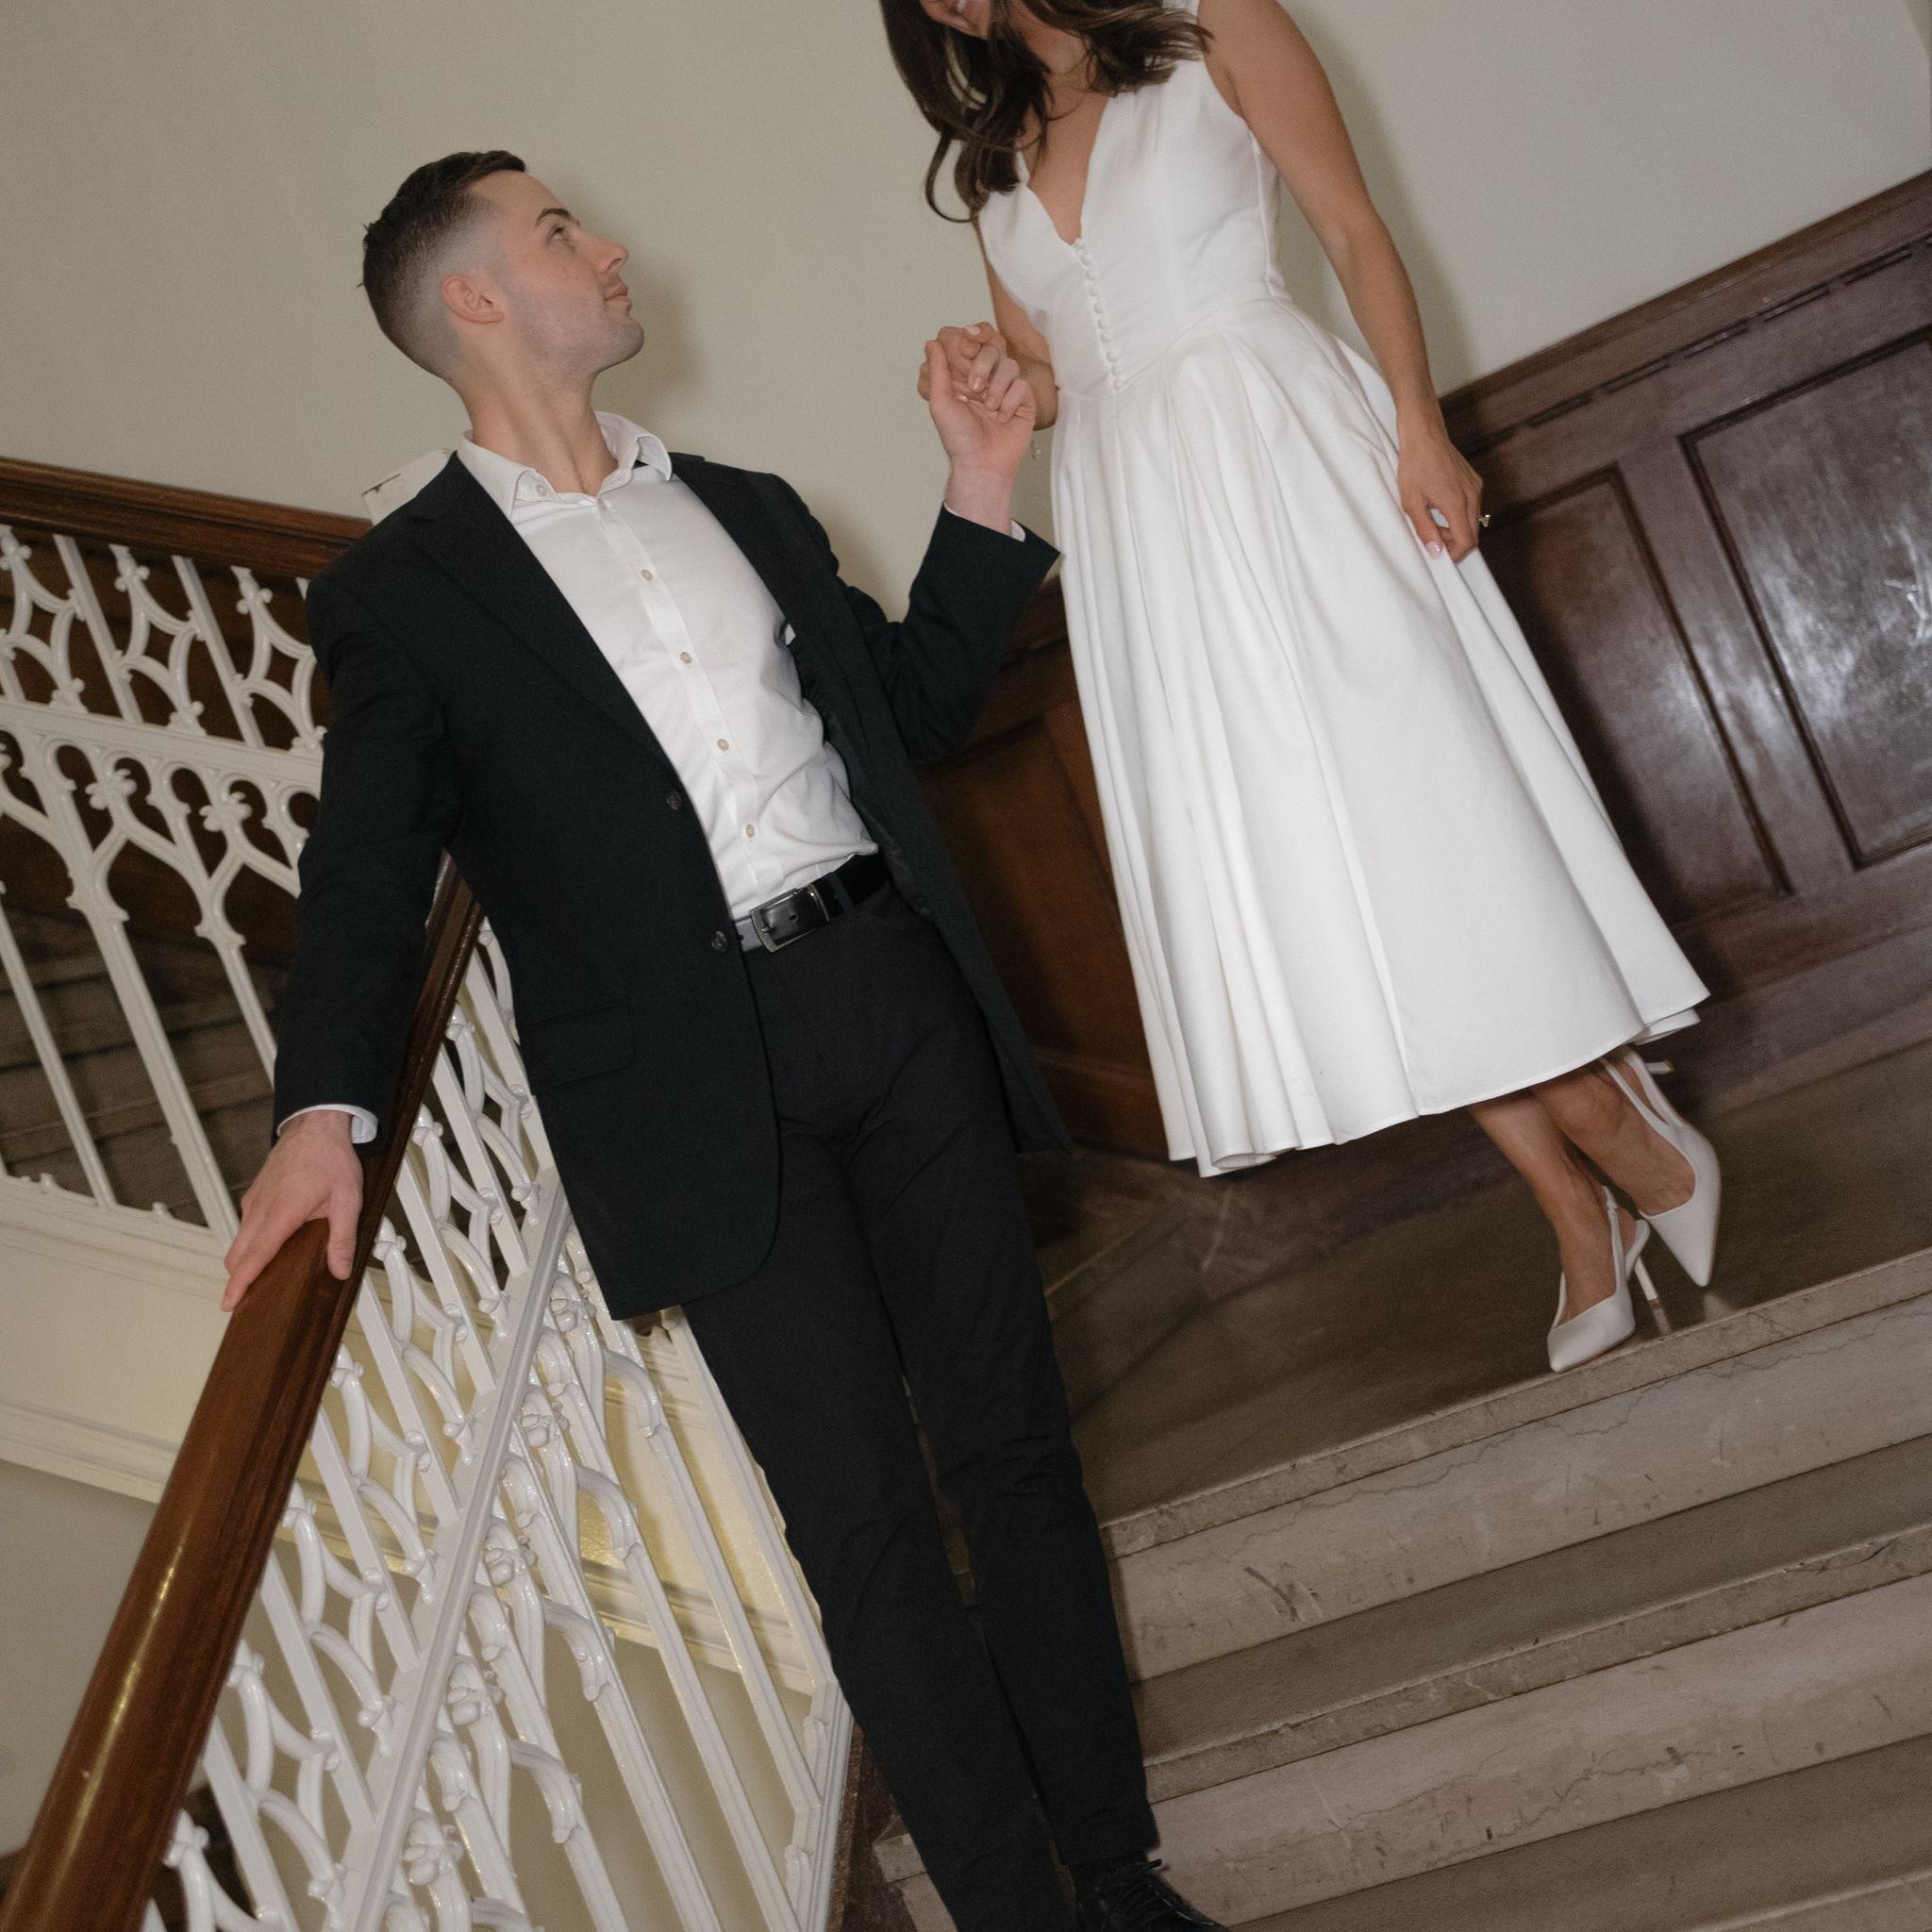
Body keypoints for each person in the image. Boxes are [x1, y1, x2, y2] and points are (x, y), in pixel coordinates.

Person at [221, 152, 1223, 1932]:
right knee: (867, 1529)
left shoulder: (746, 505)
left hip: (890, 993)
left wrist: (979, 482)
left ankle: (1121, 1879)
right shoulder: (405, 593)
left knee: (1015, 1451)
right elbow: (365, 868)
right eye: (559, 231)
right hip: (690, 1089)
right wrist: (323, 1110)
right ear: (474, 301)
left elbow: (912, 712)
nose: (610, 247)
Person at [883, 0, 1723, 1372]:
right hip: (1141, 529)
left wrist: (1421, 426)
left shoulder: (1212, 27)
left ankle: (1617, 1141)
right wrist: (990, 381)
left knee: (1418, 825)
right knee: (1317, 880)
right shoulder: (996, 164)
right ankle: (1584, 1198)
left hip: (1285, 454)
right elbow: (1061, 372)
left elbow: (1352, 231)